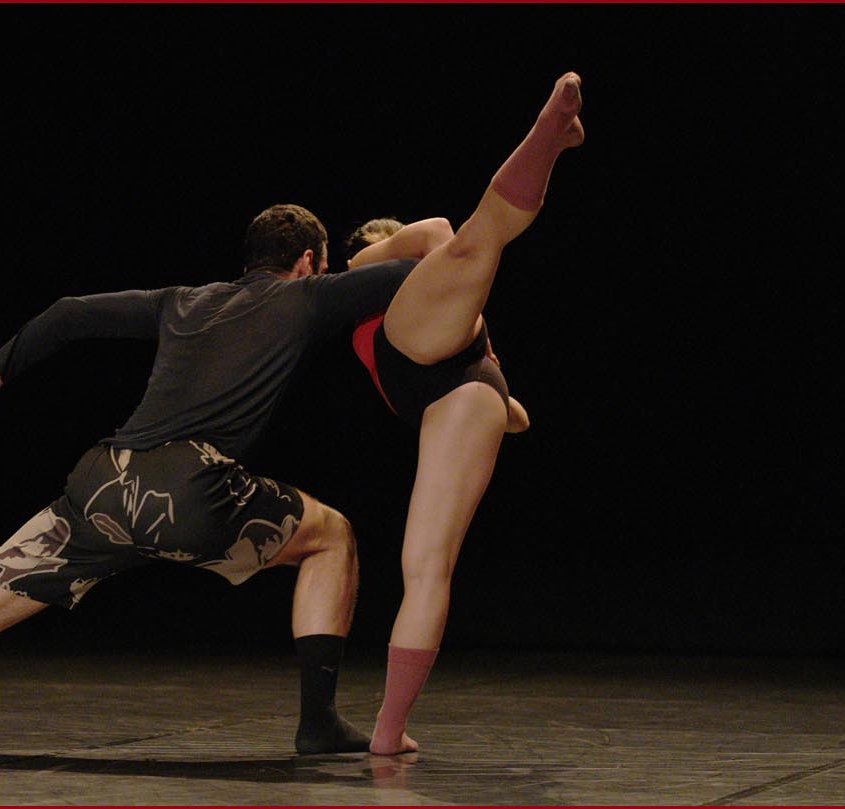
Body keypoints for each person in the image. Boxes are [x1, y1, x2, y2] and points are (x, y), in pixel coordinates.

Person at [0, 203, 422, 754]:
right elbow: (426, 264)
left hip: (103, 484)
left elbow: (69, 311)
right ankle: (318, 722)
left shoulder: (182, 301)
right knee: (333, 535)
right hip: (190, 489)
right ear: (307, 261)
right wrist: (386, 252)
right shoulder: (308, 295)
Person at [344, 72, 584, 756]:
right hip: (462, 379)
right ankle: (389, 730)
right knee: (424, 567)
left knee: (426, 568)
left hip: (446, 372)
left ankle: (547, 134)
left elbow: (441, 235)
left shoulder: (375, 268)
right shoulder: (376, 273)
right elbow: (442, 247)